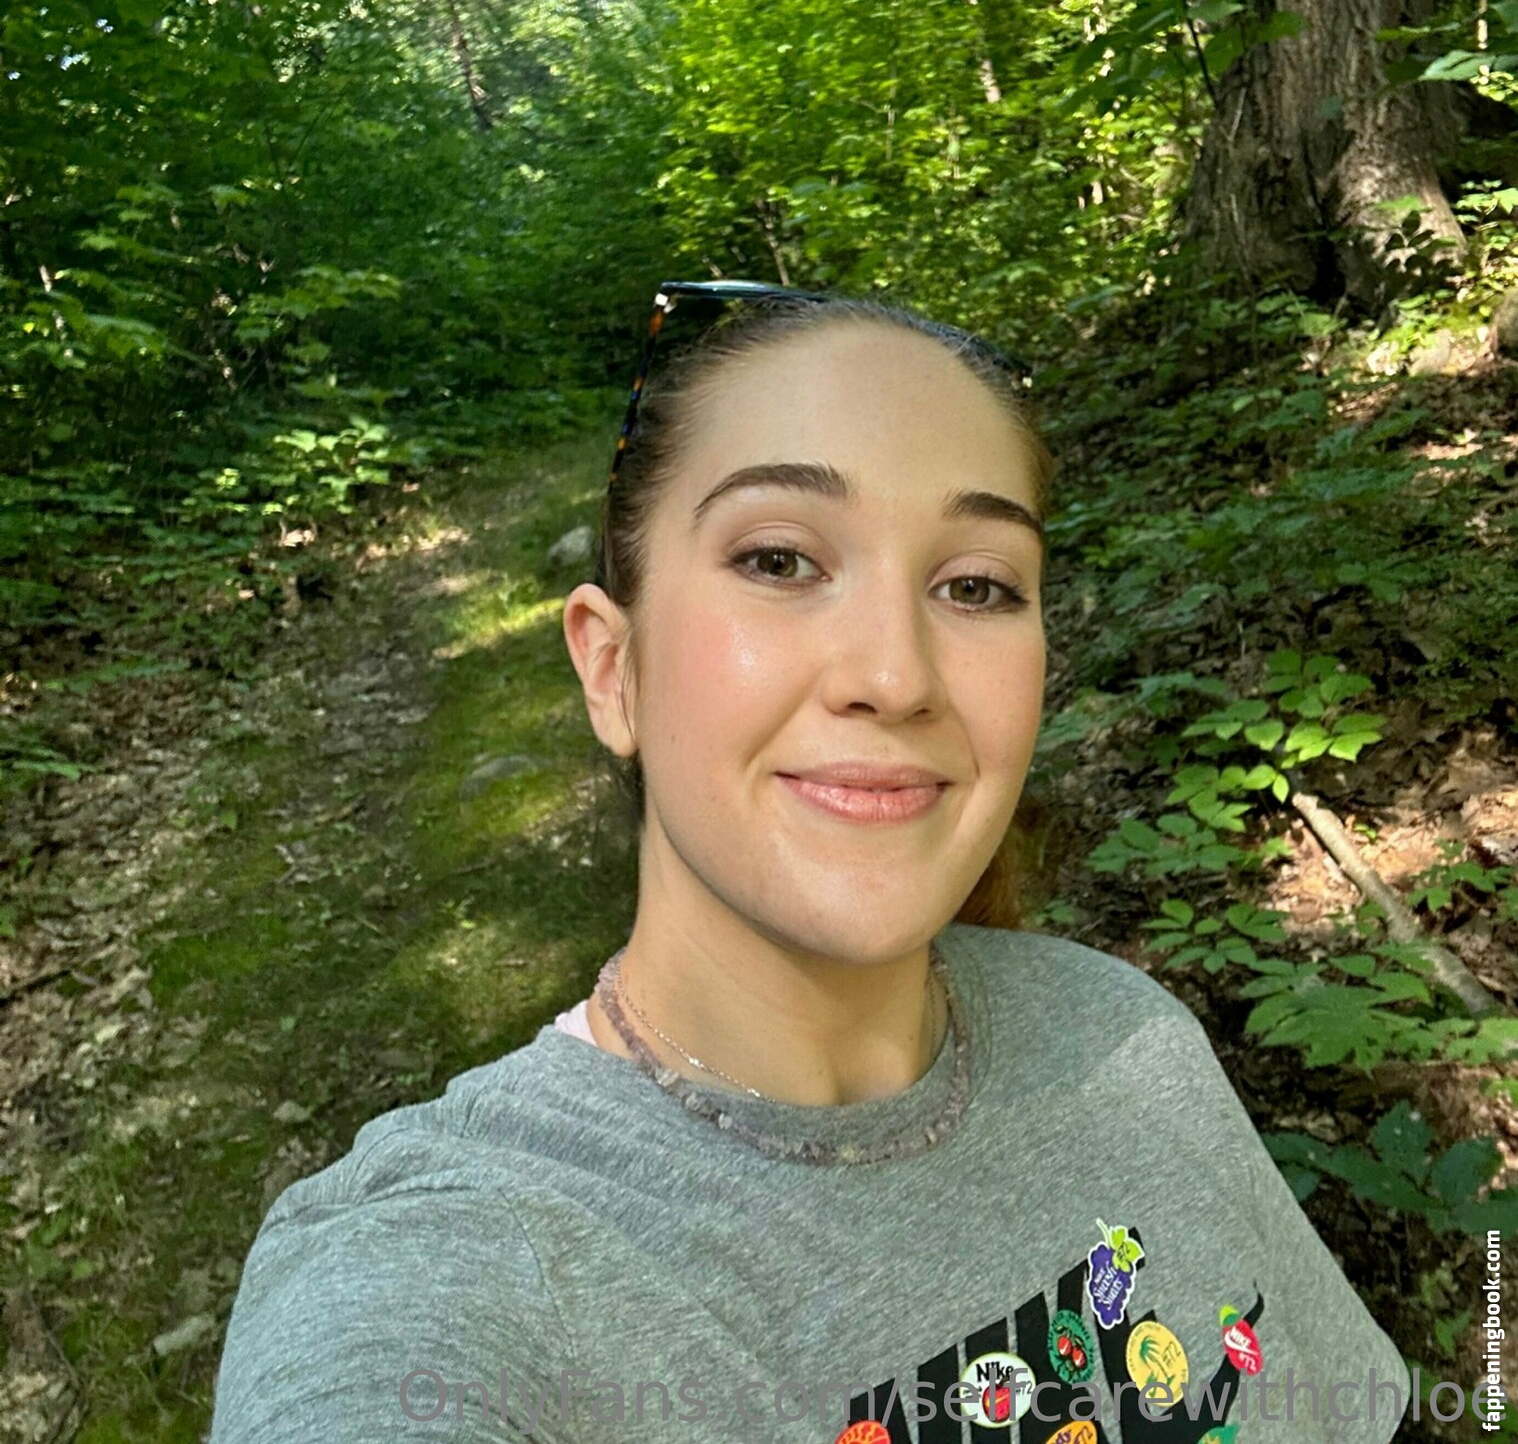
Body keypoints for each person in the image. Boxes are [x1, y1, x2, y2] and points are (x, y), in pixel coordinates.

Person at [208, 288, 1412, 1444]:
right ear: (612, 669)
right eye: (781, 560)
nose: (895, 675)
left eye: (976, 585)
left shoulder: (1125, 1037)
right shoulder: (452, 1263)